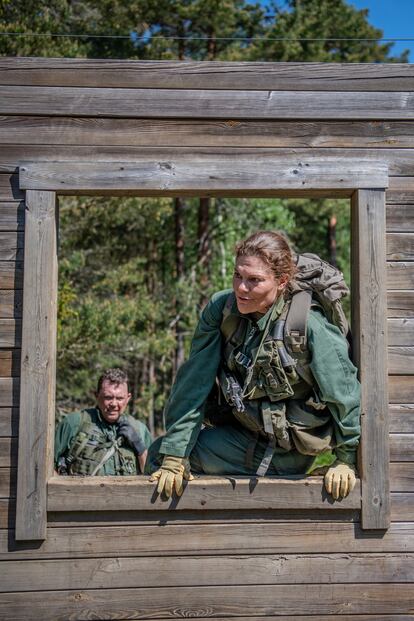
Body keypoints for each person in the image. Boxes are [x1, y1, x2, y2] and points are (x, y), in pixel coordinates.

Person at [147, 231, 361, 501]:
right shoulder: (221, 310)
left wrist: (345, 460)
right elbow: (194, 384)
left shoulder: (309, 324)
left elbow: (345, 393)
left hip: (286, 451)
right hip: (241, 432)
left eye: (254, 280)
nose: (241, 288)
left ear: (282, 281)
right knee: (161, 456)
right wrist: (175, 456)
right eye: (238, 276)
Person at [55, 368, 152, 476]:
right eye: (108, 397)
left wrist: (140, 447)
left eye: (119, 398)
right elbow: (47, 465)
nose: (114, 404)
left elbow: (152, 475)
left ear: (128, 398)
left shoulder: (140, 430)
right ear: (96, 396)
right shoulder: (74, 423)